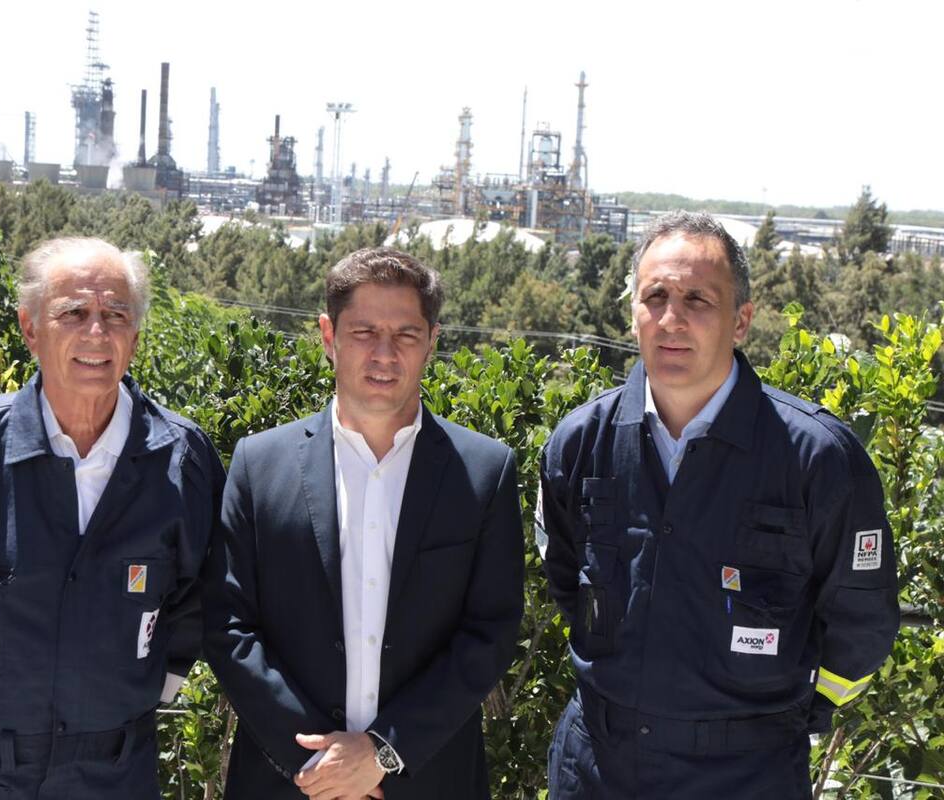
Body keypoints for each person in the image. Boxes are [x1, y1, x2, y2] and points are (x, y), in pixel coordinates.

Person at [537, 211, 900, 798]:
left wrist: (789, 717)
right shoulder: (581, 443)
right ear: (633, 313)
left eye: (698, 299)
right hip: (598, 769)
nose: (671, 319)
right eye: (654, 296)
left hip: (746, 775)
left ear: (742, 321)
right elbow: (564, 579)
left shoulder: (818, 459)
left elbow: (862, 625)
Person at [0, 237, 224, 799]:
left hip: (111, 769)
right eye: (73, 313)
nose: (96, 333)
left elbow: (196, 595)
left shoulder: (184, 462)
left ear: (135, 336)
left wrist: (162, 684)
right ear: (31, 330)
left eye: (115, 315)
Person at [203, 247, 524, 799]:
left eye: (405, 334)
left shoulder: (484, 471)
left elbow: (489, 633)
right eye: (363, 332)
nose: (384, 354)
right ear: (328, 337)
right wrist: (319, 763)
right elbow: (230, 627)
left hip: (429, 781)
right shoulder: (260, 465)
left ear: (432, 342)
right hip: (290, 782)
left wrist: (384, 752)